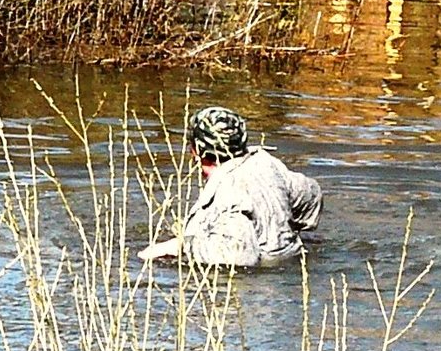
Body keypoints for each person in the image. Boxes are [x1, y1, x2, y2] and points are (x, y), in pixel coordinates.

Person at [138, 106, 322, 267]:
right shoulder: (266, 162)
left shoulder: (227, 192)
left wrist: (180, 246)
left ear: (195, 151)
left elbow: (237, 256)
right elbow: (312, 195)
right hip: (294, 263)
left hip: (257, 289)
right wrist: (285, 230)